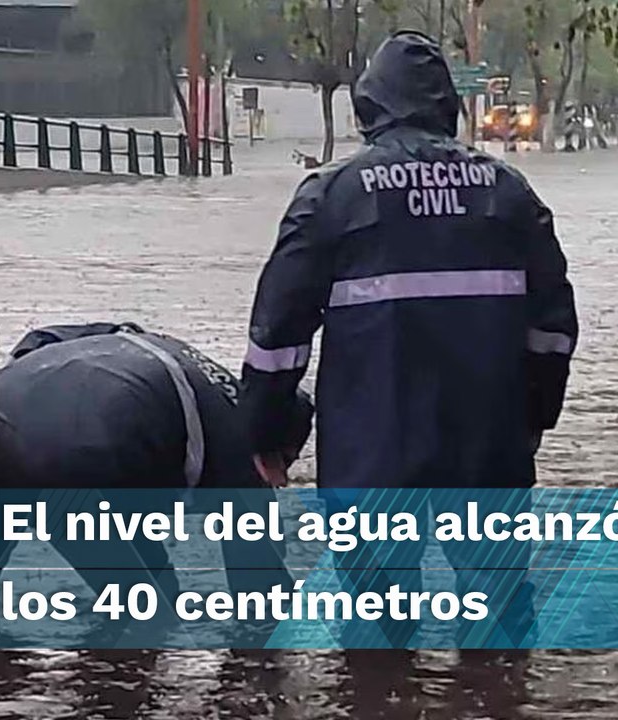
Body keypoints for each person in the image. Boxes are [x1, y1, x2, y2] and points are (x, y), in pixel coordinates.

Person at [239, 32, 577, 646]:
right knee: (502, 627)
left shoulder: (329, 197)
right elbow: (553, 330)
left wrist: (267, 436)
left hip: (371, 459)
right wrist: (532, 419)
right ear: (447, 106)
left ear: (370, 105)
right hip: (486, 454)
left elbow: (276, 338)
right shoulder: (509, 193)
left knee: (375, 641)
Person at [0, 322, 312, 627]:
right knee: (153, 611)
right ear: (270, 447)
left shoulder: (153, 344)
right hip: (72, 461)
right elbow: (259, 592)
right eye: (282, 465)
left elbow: (40, 339)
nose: (279, 482)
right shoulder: (242, 448)